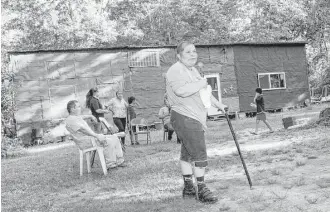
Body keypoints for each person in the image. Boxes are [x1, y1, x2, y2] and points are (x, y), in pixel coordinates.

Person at [166, 41, 228, 203]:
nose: (193, 54)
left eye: (194, 51)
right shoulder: (175, 70)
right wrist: (202, 82)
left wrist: (219, 104)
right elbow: (181, 91)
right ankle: (202, 189)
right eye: (188, 52)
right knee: (199, 153)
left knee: (187, 154)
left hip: (193, 117)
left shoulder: (192, 70)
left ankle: (188, 188)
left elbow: (204, 92)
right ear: (178, 55)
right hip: (185, 116)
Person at [65, 100, 126, 169]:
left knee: (114, 138)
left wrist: (90, 116)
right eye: (78, 107)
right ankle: (111, 165)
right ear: (72, 109)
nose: (80, 108)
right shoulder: (71, 120)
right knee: (109, 141)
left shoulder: (75, 117)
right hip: (86, 141)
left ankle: (120, 161)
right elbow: (83, 130)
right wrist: (96, 135)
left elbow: (82, 117)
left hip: (90, 138)